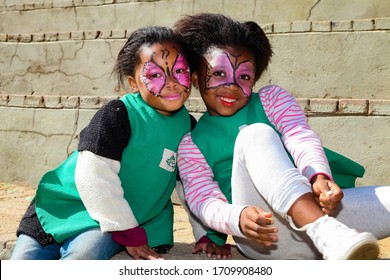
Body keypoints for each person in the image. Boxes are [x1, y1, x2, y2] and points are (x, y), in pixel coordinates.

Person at [173, 13, 390, 260]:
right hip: (266, 238)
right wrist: (238, 218)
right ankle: (324, 232)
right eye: (219, 74)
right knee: (255, 135)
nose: (232, 85)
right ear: (196, 78)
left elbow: (299, 135)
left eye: (244, 76)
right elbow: (203, 199)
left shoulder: (272, 99)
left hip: (332, 221)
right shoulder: (192, 145)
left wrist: (318, 174)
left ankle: (329, 236)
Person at [11, 26, 195, 260]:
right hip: (64, 208)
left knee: (84, 255)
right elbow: (94, 174)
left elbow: (193, 185)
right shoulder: (118, 114)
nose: (170, 82)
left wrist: (210, 235)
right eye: (155, 75)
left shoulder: (188, 128)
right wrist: (128, 231)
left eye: (179, 70)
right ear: (134, 84)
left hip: (105, 221)